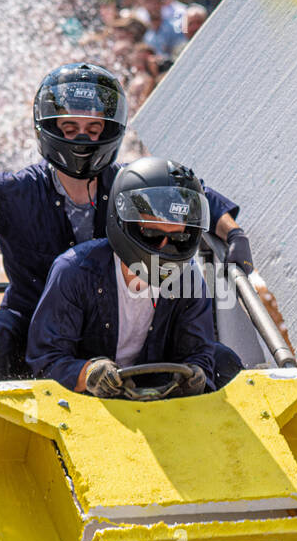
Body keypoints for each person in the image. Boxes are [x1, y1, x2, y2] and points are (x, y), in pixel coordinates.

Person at [0, 63, 244, 380]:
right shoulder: (11, 192)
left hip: (123, 335)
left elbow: (192, 195)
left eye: (93, 130)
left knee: (221, 359)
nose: (81, 138)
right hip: (37, 337)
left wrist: (234, 236)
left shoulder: (132, 185)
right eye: (69, 128)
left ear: (110, 131)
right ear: (48, 127)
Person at [26, 157, 216, 397]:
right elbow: (45, 361)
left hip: (161, 402)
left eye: (178, 239)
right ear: (124, 224)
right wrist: (89, 374)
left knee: (226, 360)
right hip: (82, 405)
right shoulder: (73, 270)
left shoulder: (188, 278)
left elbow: (200, 354)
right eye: (152, 234)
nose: (164, 248)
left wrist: (196, 374)